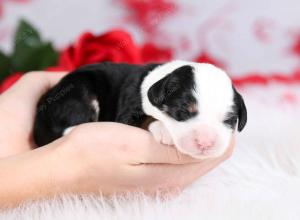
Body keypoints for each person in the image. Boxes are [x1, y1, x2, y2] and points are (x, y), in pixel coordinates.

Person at [0, 72, 235, 208]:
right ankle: (64, 132)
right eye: (184, 115)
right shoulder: (141, 93)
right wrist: (61, 166)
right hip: (71, 106)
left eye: (227, 120)